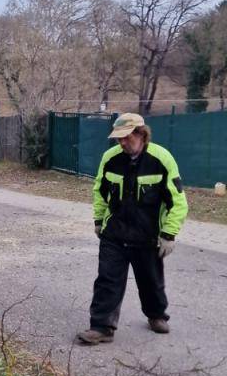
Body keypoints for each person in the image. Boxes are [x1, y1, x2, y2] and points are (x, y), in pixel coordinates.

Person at [77, 112, 188, 345]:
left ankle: (156, 315)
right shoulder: (110, 158)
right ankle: (101, 327)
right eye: (119, 138)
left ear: (141, 134)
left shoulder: (161, 159)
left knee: (150, 281)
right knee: (107, 280)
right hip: (114, 233)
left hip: (147, 235)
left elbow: (177, 201)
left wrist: (169, 234)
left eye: (127, 137)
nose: (122, 143)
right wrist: (98, 220)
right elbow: (100, 191)